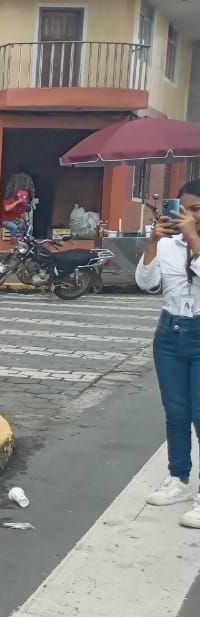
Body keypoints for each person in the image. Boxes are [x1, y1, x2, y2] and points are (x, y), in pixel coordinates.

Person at [138, 179, 200, 528]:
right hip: (169, 332)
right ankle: (179, 479)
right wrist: (152, 242)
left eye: (197, 209)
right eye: (184, 209)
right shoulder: (168, 243)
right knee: (176, 413)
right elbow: (146, 283)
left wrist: (194, 240)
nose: (189, 215)